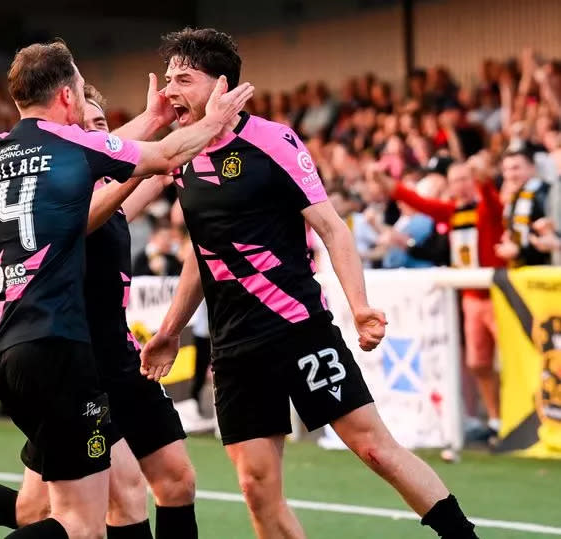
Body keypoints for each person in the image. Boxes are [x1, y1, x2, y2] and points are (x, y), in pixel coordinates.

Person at [0, 40, 253, 539]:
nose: (98, 133)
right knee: (79, 522)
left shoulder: (3, 151)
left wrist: (154, 125)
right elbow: (154, 159)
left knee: (96, 502)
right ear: (68, 98)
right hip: (61, 349)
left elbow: (127, 163)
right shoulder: (73, 157)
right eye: (87, 114)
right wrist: (211, 120)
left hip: (19, 348)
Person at [141, 27, 478, 539]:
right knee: (257, 489)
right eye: (168, 79)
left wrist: (359, 306)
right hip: (234, 346)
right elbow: (201, 252)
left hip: (297, 327)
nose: (169, 91)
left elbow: (332, 227)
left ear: (222, 84)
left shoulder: (273, 140)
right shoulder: (180, 156)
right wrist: (170, 329)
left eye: (183, 79)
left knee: (373, 448)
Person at [378, 158, 506, 443]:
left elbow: (493, 204)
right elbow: (420, 203)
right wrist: (390, 186)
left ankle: (514, 418)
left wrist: (484, 180)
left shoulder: (486, 208)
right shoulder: (452, 212)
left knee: (508, 360)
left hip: (497, 294)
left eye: (466, 178)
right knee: (478, 363)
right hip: (470, 297)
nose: (462, 184)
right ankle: (497, 419)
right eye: (456, 180)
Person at [495, 148, 554, 267]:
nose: (510, 175)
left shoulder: (545, 193)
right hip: (522, 270)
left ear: (532, 167)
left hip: (546, 271)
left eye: (516, 168)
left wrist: (519, 252)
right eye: (506, 170)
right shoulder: (513, 198)